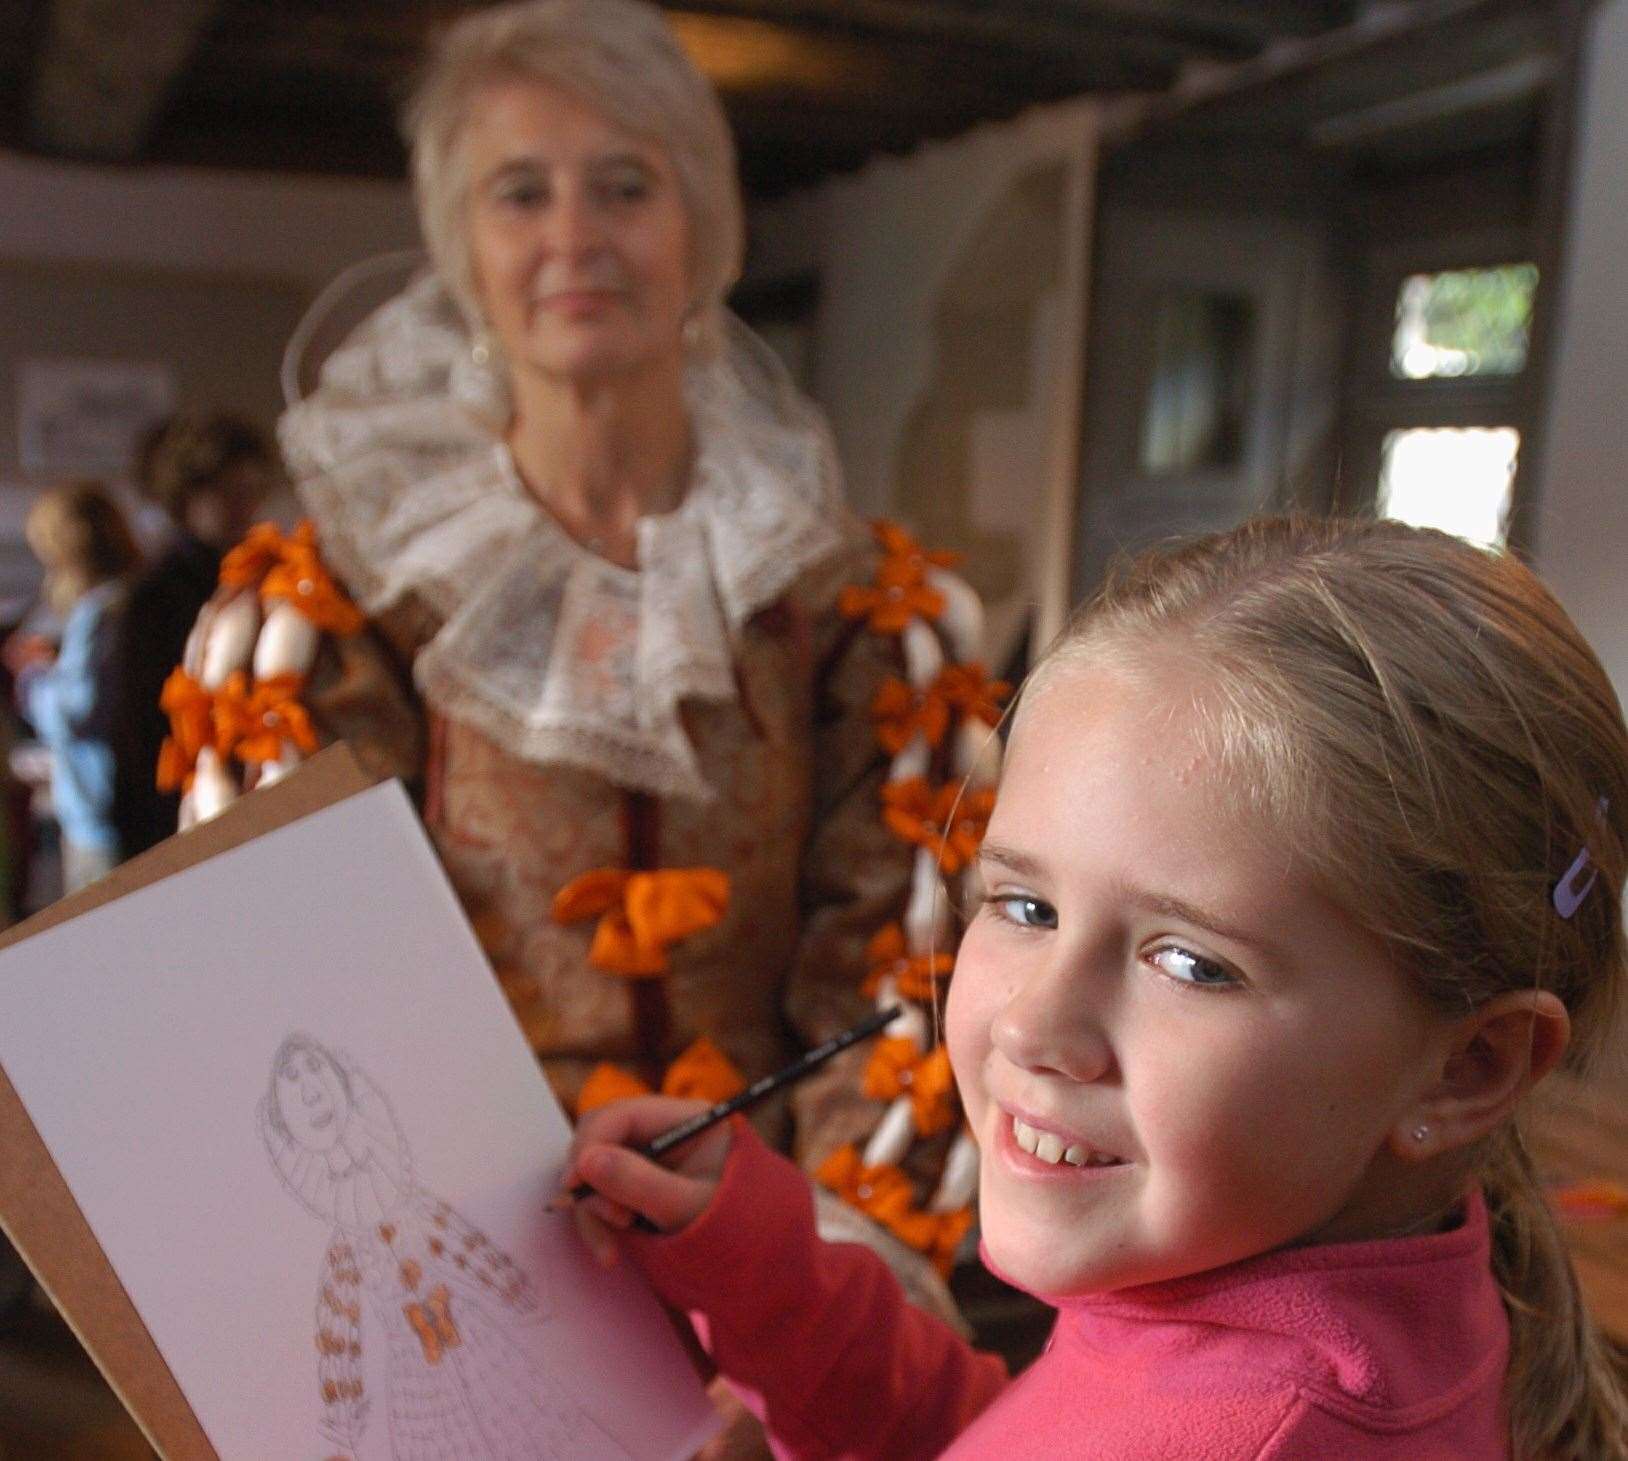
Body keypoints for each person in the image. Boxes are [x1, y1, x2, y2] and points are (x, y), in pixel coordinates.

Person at [162, 0, 986, 1379]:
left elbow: (899, 984)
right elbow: (303, 992)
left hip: (776, 1269)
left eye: (625, 184)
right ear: (461, 249)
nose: (572, 236)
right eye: (518, 192)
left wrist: (800, 1310)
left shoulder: (853, 609)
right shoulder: (338, 606)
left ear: (704, 228)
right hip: (474, 1278)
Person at [565, 515, 1628, 1460]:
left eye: (1190, 963)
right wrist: (762, 1271)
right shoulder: (1302, 1288)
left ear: (1468, 1066)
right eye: (1024, 907)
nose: (1035, 1023)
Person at [109, 412, 274, 858]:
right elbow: (139, 733)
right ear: (187, 497)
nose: (246, 509)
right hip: (177, 814)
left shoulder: (258, 579)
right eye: (229, 494)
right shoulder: (156, 597)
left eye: (252, 494)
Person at [7, 483, 142, 893]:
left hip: (99, 817)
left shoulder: (100, 610)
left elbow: (76, 710)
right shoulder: (135, 598)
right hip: (125, 805)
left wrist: (31, 676)